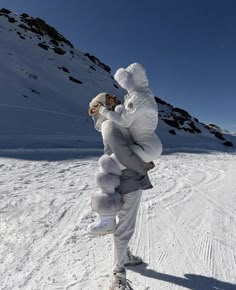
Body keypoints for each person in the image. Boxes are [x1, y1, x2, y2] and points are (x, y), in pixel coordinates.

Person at [87, 93, 154, 289]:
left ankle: (124, 256)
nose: (115, 96)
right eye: (109, 97)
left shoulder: (113, 121)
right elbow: (122, 153)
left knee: (125, 223)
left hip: (126, 176)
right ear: (101, 105)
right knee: (125, 227)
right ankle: (118, 272)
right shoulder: (110, 124)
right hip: (128, 178)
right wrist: (143, 166)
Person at [99, 62, 162, 163]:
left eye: (126, 79)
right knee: (124, 157)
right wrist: (119, 110)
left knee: (116, 162)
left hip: (147, 148)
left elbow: (124, 121)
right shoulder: (138, 95)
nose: (124, 83)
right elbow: (130, 115)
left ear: (134, 79)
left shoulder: (139, 97)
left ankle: (109, 174)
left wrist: (105, 112)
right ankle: (143, 165)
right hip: (150, 144)